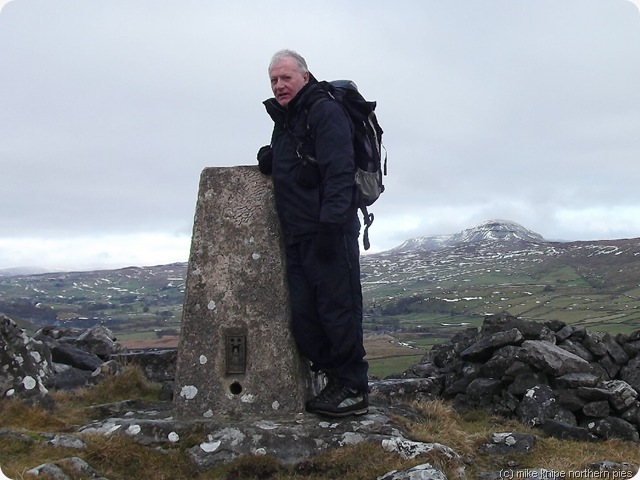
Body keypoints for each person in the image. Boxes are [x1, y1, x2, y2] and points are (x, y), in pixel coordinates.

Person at [257, 49, 369, 417]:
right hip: (298, 235)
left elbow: (339, 171)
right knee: (306, 318)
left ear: (304, 76)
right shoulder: (288, 118)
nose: (279, 85)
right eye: (274, 80)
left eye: (285, 78)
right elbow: (303, 162)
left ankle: (353, 388)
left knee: (338, 311)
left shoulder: (324, 110)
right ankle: (334, 380)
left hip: (328, 233)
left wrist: (330, 226)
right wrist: (274, 159)